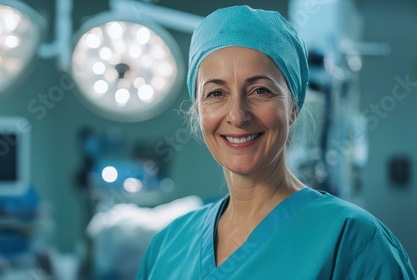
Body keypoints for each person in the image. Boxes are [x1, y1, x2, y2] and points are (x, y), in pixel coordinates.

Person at [136, 5, 416, 280]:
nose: (237, 115)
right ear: (198, 110)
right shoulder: (168, 244)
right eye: (216, 93)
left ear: (293, 106)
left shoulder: (353, 241)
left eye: (260, 90)